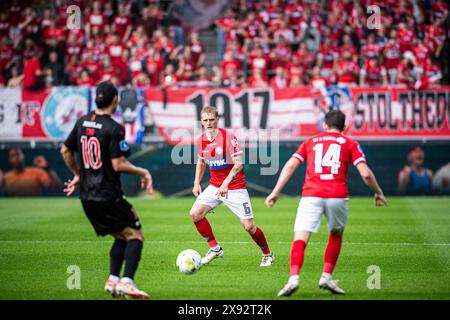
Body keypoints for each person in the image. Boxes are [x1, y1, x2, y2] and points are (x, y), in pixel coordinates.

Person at [265, 110, 387, 297]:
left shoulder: (310, 142)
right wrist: (378, 192)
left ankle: (293, 279)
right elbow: (366, 173)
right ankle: (326, 276)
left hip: (311, 195)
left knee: (300, 238)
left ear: (324, 125)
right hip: (337, 196)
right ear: (344, 127)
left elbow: (290, 165)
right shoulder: (351, 143)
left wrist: (275, 192)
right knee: (336, 234)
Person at [60, 82, 153, 299]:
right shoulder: (114, 128)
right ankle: (127, 282)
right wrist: (143, 172)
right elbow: (118, 164)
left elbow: (65, 150)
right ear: (115, 100)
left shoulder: (82, 122)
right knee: (136, 235)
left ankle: (112, 280)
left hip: (87, 196)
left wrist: (79, 174)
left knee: (121, 235)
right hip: (108, 194)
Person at [190, 106, 274, 267]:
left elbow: (238, 165)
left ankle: (267, 254)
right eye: (205, 120)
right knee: (195, 214)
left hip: (234, 187)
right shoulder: (200, 140)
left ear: (217, 120)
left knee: (249, 226)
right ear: (201, 121)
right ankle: (215, 249)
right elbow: (201, 161)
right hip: (215, 186)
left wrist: (226, 184)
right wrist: (196, 183)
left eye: (211, 119)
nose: (208, 123)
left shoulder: (228, 138)